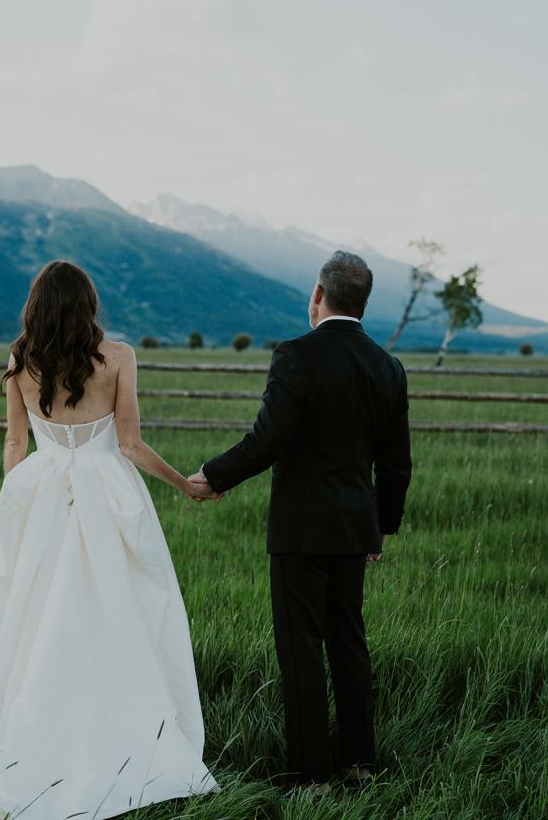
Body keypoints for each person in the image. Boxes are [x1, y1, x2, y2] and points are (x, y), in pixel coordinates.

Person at [0, 260, 217, 820]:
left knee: (33, 617)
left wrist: (16, 503)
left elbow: (15, 441)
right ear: (88, 304)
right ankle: (127, 738)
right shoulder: (118, 358)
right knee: (125, 611)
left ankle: (34, 741)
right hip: (109, 499)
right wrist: (185, 486)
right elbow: (130, 445)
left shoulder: (20, 359)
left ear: (36, 307)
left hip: (42, 493)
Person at [189, 250, 412, 795]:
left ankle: (310, 777)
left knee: (301, 648)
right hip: (355, 527)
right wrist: (381, 524)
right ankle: (359, 763)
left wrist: (214, 476)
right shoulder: (388, 367)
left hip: (301, 530)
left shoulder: (296, 355)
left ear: (318, 295)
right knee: (348, 642)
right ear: (361, 302)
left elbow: (269, 441)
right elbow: (397, 461)